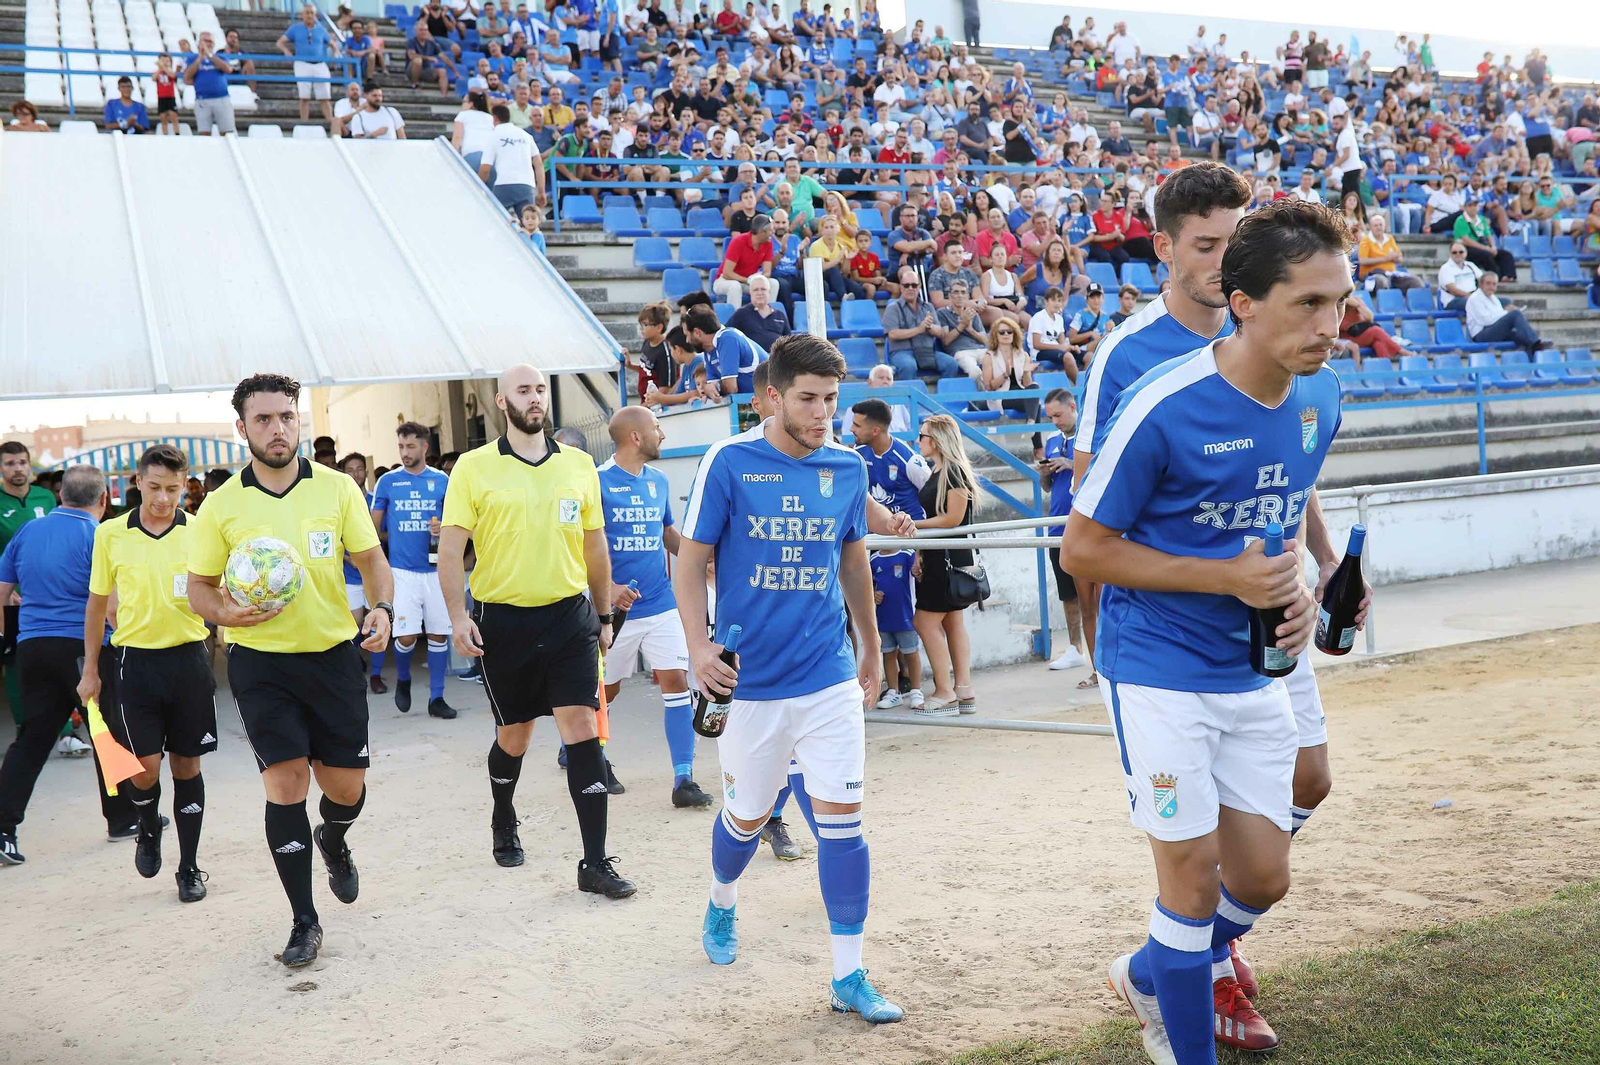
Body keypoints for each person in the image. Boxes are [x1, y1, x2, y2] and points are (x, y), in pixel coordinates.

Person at [1062, 199, 1362, 1064]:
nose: (1329, 325)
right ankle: (1186, 1029)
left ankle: (1153, 972)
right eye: (1307, 303)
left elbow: (1283, 498)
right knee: (1190, 882)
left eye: (1338, 302)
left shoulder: (1322, 395)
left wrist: (1312, 586)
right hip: (1156, 670)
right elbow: (1084, 548)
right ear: (1244, 302)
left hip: (1253, 670)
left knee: (1264, 876)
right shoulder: (1163, 402)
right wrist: (1225, 577)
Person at [674, 334, 903, 1023]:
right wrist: (696, 648)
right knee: (745, 816)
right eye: (808, 398)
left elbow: (853, 559)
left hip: (827, 674)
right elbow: (689, 564)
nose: (823, 412)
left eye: (831, 399)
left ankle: (848, 974)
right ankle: (721, 900)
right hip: (748, 682)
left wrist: (868, 646)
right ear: (774, 396)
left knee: (843, 825)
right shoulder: (731, 461)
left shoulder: (845, 464)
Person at [185, 377, 392, 969]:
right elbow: (199, 588)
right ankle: (304, 920)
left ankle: (333, 835)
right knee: (286, 782)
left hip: (332, 657)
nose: (279, 428)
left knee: (344, 787)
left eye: (287, 416)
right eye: (265, 419)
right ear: (243, 429)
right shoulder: (222, 505)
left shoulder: (336, 489)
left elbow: (372, 562)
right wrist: (224, 613)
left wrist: (380, 609)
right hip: (260, 664)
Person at [437, 364, 635, 898]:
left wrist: (604, 616)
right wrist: (459, 617)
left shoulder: (577, 466)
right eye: (523, 390)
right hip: (504, 621)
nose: (535, 398)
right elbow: (452, 550)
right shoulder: (473, 469)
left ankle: (594, 862)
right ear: (502, 401)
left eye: (541, 389)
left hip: (569, 617)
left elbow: (595, 546)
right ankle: (504, 814)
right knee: (515, 737)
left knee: (582, 727)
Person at [1073, 163, 1250, 695]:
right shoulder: (1123, 355)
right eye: (1205, 245)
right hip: (1166, 630)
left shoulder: (1261, 331)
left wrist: (1327, 559)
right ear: (1164, 248)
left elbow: (1285, 464)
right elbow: (1088, 499)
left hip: (1261, 613)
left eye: (1234, 242)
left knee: (1310, 779)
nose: (1224, 261)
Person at [77, 445, 214, 900]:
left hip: (190, 660)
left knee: (187, 765)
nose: (162, 498)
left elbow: (218, 591)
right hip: (135, 664)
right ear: (136, 483)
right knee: (144, 772)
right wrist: (91, 670)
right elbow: (97, 605)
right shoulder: (111, 534)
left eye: (173, 489)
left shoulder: (200, 531)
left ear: (185, 486)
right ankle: (148, 826)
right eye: (154, 487)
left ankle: (190, 868)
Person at [0, 465, 140, 866]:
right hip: (82, 648)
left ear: (60, 494)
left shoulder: (29, 530)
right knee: (105, 732)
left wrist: (10, 637)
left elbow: (3, 589)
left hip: (33, 646)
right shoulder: (98, 535)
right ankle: (121, 819)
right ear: (103, 500)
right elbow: (110, 604)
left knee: (33, 737)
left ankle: (4, 828)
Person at [596, 407, 714, 809]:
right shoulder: (595, 482)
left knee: (676, 682)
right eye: (657, 428)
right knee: (604, 690)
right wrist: (607, 588)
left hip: (661, 603)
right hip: (615, 611)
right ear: (634, 437)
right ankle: (591, 757)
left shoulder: (659, 480)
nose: (662, 435)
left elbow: (667, 533)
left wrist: (701, 560)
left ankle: (684, 778)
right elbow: (577, 546)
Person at [369, 423, 455, 720]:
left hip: (436, 570)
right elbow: (371, 528)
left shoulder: (442, 481)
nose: (405, 453)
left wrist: (441, 528)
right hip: (402, 572)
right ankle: (403, 679)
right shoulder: (388, 482)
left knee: (438, 634)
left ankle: (437, 698)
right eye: (401, 447)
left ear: (424, 448)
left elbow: (458, 525)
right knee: (405, 637)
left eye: (410, 447)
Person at [909, 414, 976, 716]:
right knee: (952, 622)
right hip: (940, 554)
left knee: (925, 622)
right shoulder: (941, 470)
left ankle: (946, 689)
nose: (919, 441)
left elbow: (953, 519)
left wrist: (915, 525)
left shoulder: (954, 472)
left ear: (935, 440)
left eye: (921, 436)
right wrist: (920, 548)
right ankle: (962, 689)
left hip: (948, 556)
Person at [1039, 389, 1086, 671]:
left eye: (1058, 414)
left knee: (1095, 592)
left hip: (1084, 524)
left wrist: (1071, 463)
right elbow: (1047, 488)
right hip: (1057, 524)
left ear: (1072, 406)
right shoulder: (1053, 441)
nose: (1055, 421)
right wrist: (1044, 475)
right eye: (1050, 417)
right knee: (1067, 592)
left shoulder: (1091, 438)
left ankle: (1099, 648)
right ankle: (1074, 648)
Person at [982, 317, 1043, 454]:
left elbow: (1027, 385)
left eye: (1009, 332)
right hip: (1000, 396)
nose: (1006, 335)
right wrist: (1005, 374)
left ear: (1014, 334)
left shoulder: (1023, 355)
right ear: (995, 335)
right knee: (1036, 405)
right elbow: (989, 386)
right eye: (1002, 332)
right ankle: (1038, 449)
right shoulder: (989, 356)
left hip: (1020, 392)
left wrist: (1027, 372)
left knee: (1034, 388)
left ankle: (1030, 424)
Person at [682, 303, 767, 402]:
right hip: (754, 402)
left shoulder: (727, 339)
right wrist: (706, 396)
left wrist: (714, 389)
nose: (687, 340)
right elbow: (713, 388)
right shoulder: (708, 351)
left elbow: (731, 387)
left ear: (697, 332)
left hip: (770, 401)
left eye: (687, 335)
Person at [479, 105, 546, 216]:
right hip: (526, 185)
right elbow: (538, 164)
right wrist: (541, 191)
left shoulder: (494, 136)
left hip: (504, 184)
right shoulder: (526, 135)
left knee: (496, 221)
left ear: (494, 118)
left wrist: (479, 186)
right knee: (529, 226)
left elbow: (485, 169)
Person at [278, 3, 336, 124]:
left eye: (312, 13)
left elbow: (333, 45)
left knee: (325, 97)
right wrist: (286, 50)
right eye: (307, 13)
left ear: (315, 15)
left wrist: (334, 55)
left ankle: (331, 124)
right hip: (302, 63)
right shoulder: (295, 28)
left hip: (320, 64)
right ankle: (304, 124)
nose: (310, 15)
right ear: (302, 15)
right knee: (304, 97)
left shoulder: (321, 29)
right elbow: (280, 42)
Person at [1466, 272, 1547, 356]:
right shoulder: (1475, 299)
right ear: (1481, 284)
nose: (1491, 287)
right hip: (1481, 335)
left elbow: (1498, 316)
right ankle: (1536, 343)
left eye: (1494, 284)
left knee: (1522, 337)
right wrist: (1507, 313)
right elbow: (1486, 320)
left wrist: (1505, 314)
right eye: (1488, 284)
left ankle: (1532, 361)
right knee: (1515, 314)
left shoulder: (1494, 299)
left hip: (1492, 330)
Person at [713, 212, 775, 306]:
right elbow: (726, 273)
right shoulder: (739, 241)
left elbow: (767, 272)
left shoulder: (768, 243)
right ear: (762, 232)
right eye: (770, 230)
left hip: (748, 281)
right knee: (735, 286)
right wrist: (749, 280)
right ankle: (735, 319)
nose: (773, 232)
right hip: (725, 281)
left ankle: (767, 316)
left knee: (773, 283)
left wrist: (758, 280)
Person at [183, 32, 237, 136]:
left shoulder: (220, 57)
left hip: (221, 98)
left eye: (210, 41)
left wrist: (210, 55)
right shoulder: (192, 58)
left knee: (227, 132)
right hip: (202, 100)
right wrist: (200, 59)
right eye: (205, 41)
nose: (208, 44)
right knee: (204, 133)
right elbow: (186, 77)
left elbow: (228, 69)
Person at [1453, 198, 1517, 282]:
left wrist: (1493, 247)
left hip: (1484, 246)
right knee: (1486, 255)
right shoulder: (1460, 220)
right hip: (1468, 248)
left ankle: (1509, 276)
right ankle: (1497, 277)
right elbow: (1466, 240)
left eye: (1475, 205)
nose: (1473, 208)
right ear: (1465, 207)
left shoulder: (1481, 219)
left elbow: (1488, 235)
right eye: (1470, 205)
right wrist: (1486, 248)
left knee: (1506, 255)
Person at [1356, 213, 1420, 292]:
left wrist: (1395, 258)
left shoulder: (1389, 238)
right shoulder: (1366, 240)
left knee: (1415, 281)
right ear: (1371, 227)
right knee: (1382, 281)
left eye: (1380, 225)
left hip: (1391, 273)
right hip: (1372, 274)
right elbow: (1363, 260)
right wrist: (1386, 258)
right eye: (1376, 225)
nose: (1379, 227)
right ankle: (1385, 303)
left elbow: (1399, 258)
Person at [726, 274, 790, 353]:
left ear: (769, 292)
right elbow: (726, 334)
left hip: (776, 360)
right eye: (756, 290)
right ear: (750, 293)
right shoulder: (741, 314)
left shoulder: (780, 315)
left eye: (763, 289)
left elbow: (789, 342)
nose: (760, 293)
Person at [1437, 243, 1483, 312]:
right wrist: (1473, 297)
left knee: (1502, 302)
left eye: (1461, 252)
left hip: (1472, 298)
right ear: (1450, 254)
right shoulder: (1446, 268)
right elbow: (1453, 290)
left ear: (1466, 253)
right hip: (1453, 300)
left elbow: (1483, 281)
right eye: (1454, 252)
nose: (1458, 254)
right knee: (1477, 303)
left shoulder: (1470, 265)